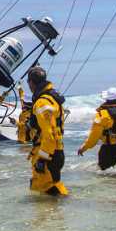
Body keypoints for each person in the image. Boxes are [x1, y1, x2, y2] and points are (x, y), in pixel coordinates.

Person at [26, 66, 68, 196]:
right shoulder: (52, 99)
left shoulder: (42, 102)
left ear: (32, 83)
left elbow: (48, 135)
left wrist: (42, 159)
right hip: (56, 151)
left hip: (47, 154)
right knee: (50, 192)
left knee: (48, 193)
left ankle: (57, 215)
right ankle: (58, 214)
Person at [77, 87, 116, 170]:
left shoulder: (102, 115)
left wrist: (83, 148)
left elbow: (93, 138)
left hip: (108, 151)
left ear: (107, 99)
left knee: (104, 175)